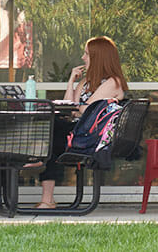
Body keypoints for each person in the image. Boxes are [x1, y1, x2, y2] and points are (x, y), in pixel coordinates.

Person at [34, 36, 128, 209]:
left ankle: (37, 159)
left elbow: (89, 111)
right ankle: (46, 193)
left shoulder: (113, 82)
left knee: (55, 135)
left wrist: (78, 108)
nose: (83, 58)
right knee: (55, 132)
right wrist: (71, 81)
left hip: (93, 137)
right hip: (78, 130)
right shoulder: (86, 82)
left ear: (98, 57)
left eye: (86, 54)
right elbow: (69, 106)